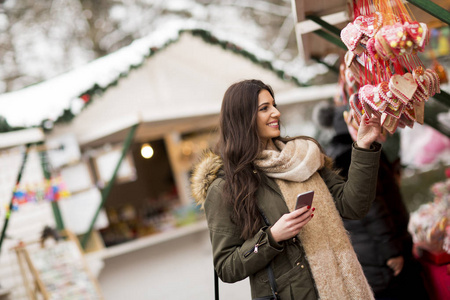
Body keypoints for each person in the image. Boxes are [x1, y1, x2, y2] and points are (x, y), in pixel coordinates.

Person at [190, 79, 382, 300]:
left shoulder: (303, 157)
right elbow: (226, 267)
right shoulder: (226, 186)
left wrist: (364, 147)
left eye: (274, 105)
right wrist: (272, 237)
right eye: (264, 108)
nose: (276, 113)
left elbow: (352, 205)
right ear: (243, 119)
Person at [324, 105, 429, 300]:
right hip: (382, 254)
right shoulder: (352, 157)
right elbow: (373, 209)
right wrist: (391, 252)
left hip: (373, 250)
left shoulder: (339, 154)